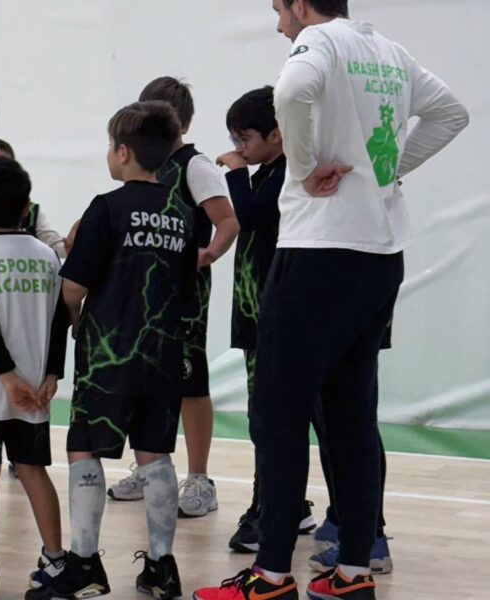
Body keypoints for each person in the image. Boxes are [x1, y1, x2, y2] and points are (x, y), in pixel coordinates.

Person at [193, 1, 468, 599]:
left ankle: (269, 576)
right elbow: (452, 113)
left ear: (300, 5)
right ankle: (353, 572)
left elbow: (291, 92)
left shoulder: (318, 44)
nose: (278, 23)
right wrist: (381, 171)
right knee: (350, 416)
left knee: (277, 413)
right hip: (381, 256)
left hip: (319, 253)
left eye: (279, 9)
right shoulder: (390, 52)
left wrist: (304, 167)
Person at [27, 100, 195, 600]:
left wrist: (76, 318)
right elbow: (188, 289)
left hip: (110, 354)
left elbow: (72, 288)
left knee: (84, 446)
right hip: (164, 353)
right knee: (156, 454)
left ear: (123, 152)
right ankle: (162, 567)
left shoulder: (106, 207)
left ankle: (84, 565)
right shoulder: (183, 214)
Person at [107, 78, 239, 518]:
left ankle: (200, 478)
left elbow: (227, 222)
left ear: (181, 123)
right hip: (144, 290)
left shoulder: (194, 166)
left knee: (189, 381)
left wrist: (209, 254)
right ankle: (150, 467)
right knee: (144, 377)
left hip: (183, 293)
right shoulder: (141, 165)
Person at [0, 157, 68, 598]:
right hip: (35, 389)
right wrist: (53, 372)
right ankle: (56, 561)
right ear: (27, 207)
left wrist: (5, 377)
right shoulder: (48, 256)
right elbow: (60, 319)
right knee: (34, 471)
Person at [216, 86, 316, 551]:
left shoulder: (289, 171)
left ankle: (272, 508)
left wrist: (237, 174)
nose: (239, 149)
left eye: (245, 139)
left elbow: (254, 216)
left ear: (277, 135)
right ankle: (288, 505)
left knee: (272, 419)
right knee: (263, 417)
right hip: (254, 315)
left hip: (276, 316)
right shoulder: (267, 171)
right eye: (234, 140)